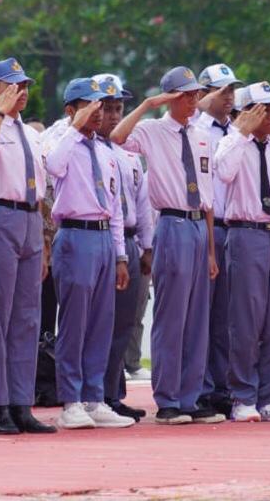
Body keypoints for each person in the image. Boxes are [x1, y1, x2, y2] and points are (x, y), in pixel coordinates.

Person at [110, 67, 222, 426]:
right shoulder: (153, 130)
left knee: (196, 318)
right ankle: (169, 398)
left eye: (195, 94)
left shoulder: (203, 135)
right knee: (171, 316)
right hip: (171, 223)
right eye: (186, 94)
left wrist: (210, 251)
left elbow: (207, 197)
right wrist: (147, 104)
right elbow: (116, 135)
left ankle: (191, 396)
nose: (193, 100)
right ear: (171, 97)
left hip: (198, 226)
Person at [0, 57, 55, 434]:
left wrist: (45, 239)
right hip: (0, 215)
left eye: (25, 86)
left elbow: (42, 188)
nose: (22, 93)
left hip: (30, 219)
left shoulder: (33, 135)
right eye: (13, 86)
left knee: (27, 318)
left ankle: (21, 402)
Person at [45, 78, 135, 430]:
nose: (99, 113)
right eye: (91, 105)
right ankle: (70, 400)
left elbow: (113, 207)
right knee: (74, 322)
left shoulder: (104, 151)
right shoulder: (61, 141)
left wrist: (121, 256)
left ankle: (94, 396)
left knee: (101, 323)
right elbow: (53, 166)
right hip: (74, 234)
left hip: (102, 238)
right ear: (72, 109)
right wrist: (75, 128)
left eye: (103, 106)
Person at [214, 82, 270, 422]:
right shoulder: (232, 144)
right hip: (246, 234)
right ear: (249, 112)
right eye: (266, 109)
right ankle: (243, 395)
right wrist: (239, 132)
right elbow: (222, 171)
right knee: (246, 320)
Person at [94, 73, 154, 421]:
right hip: (100, 237)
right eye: (108, 108)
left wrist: (147, 247)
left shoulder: (128, 155)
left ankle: (114, 392)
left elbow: (142, 204)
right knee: (99, 322)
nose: (115, 116)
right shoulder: (81, 145)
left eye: (119, 108)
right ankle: (93, 393)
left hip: (130, 239)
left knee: (124, 323)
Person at [194, 63, 243, 414]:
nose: (229, 98)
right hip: (207, 223)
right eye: (222, 91)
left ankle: (220, 385)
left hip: (235, 226)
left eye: (232, 91)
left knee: (226, 316)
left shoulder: (236, 130)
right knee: (202, 313)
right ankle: (200, 386)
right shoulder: (198, 130)